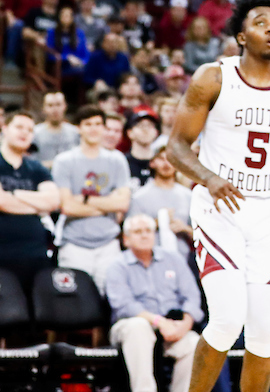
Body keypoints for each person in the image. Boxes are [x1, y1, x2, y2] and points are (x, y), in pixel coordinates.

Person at [165, 0, 270, 392]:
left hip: (269, 213)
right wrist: (209, 178)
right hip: (219, 210)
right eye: (260, 22)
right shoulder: (213, 77)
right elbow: (176, 147)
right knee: (226, 318)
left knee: (265, 331)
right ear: (240, 36)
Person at [107, 214, 205, 392]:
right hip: (131, 326)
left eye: (148, 231)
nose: (144, 236)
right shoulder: (117, 265)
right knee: (139, 327)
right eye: (138, 232)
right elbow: (123, 305)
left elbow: (192, 296)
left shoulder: (173, 259)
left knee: (193, 342)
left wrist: (186, 323)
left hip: (172, 327)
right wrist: (159, 322)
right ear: (126, 239)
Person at [53, 105, 131, 291]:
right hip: (74, 244)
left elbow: (123, 203)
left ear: (104, 128)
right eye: (88, 124)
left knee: (110, 300)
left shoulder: (117, 160)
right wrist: (108, 202)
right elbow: (68, 207)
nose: (94, 128)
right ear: (78, 128)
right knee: (77, 303)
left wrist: (85, 199)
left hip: (109, 243)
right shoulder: (64, 161)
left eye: (98, 124)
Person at [0, 110, 59, 293]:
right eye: (19, 127)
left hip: (36, 254)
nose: (24, 133)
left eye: (30, 129)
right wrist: (37, 205)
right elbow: (2, 202)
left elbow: (53, 201)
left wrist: (14, 193)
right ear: (4, 128)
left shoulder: (37, 168)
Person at [127, 142, 193, 255]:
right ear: (152, 163)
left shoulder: (188, 196)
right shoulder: (140, 197)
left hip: (183, 259)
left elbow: (201, 236)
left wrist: (185, 229)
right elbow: (128, 236)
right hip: (149, 259)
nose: (166, 163)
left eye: (171, 159)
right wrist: (156, 223)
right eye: (161, 159)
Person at [33, 91, 77, 169]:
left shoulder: (75, 132)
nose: (55, 109)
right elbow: (30, 163)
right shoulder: (34, 133)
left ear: (65, 106)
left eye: (58, 104)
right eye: (50, 105)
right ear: (43, 108)